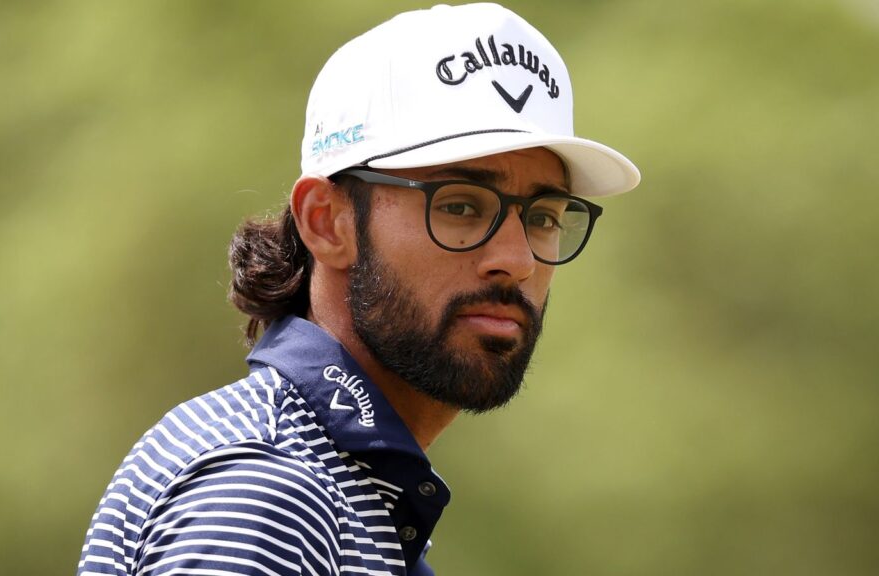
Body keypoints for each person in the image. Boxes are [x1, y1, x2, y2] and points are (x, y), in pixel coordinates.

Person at [76, 3, 640, 575]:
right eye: (462, 206)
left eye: (544, 216)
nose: (517, 261)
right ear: (326, 223)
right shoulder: (268, 490)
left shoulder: (336, 484)